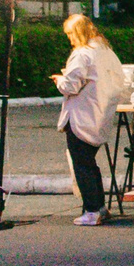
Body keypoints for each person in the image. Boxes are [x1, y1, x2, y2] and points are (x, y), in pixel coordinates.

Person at [53, 14, 129, 226]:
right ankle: (100, 206)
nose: (69, 39)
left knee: (82, 164)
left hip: (81, 116)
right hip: (101, 113)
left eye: (70, 34)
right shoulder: (107, 52)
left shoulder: (82, 54)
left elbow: (72, 86)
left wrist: (60, 81)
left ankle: (92, 210)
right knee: (90, 162)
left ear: (78, 33)